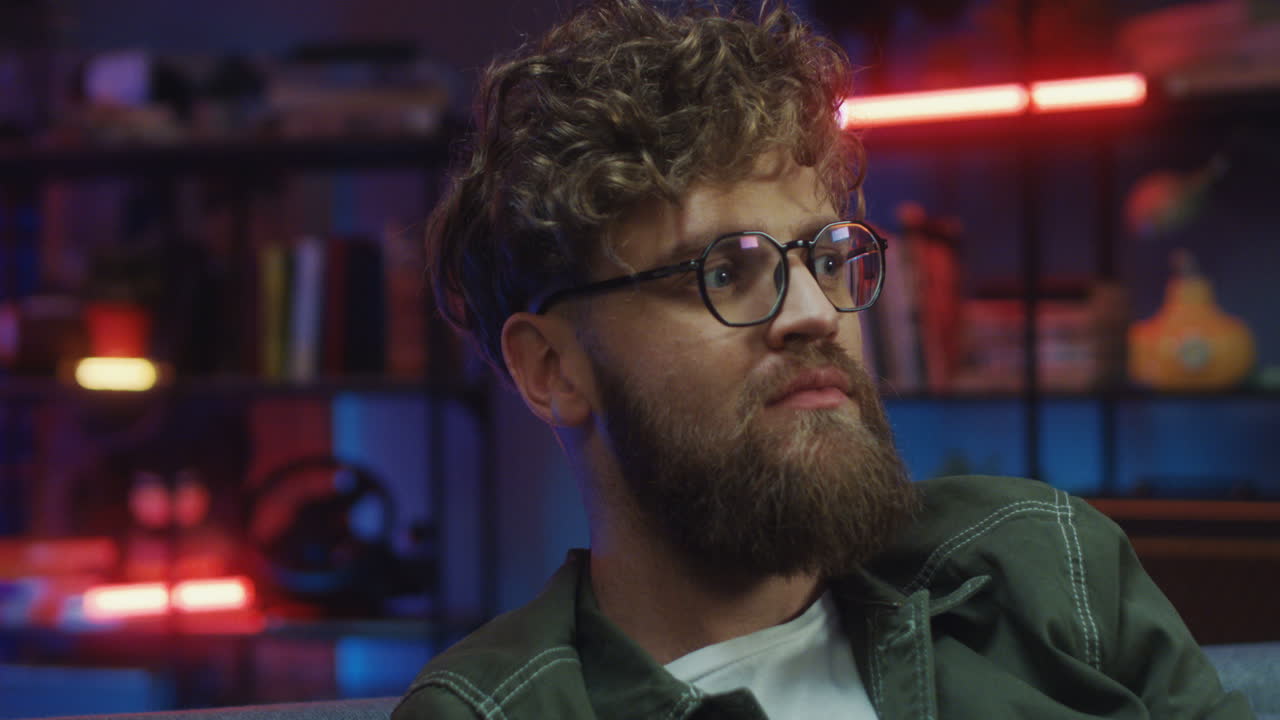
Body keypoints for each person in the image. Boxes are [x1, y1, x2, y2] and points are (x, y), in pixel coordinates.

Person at [393, 1, 1253, 718]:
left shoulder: (1043, 569)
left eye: (826, 258)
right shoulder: (493, 710)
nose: (815, 313)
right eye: (723, 271)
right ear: (552, 370)